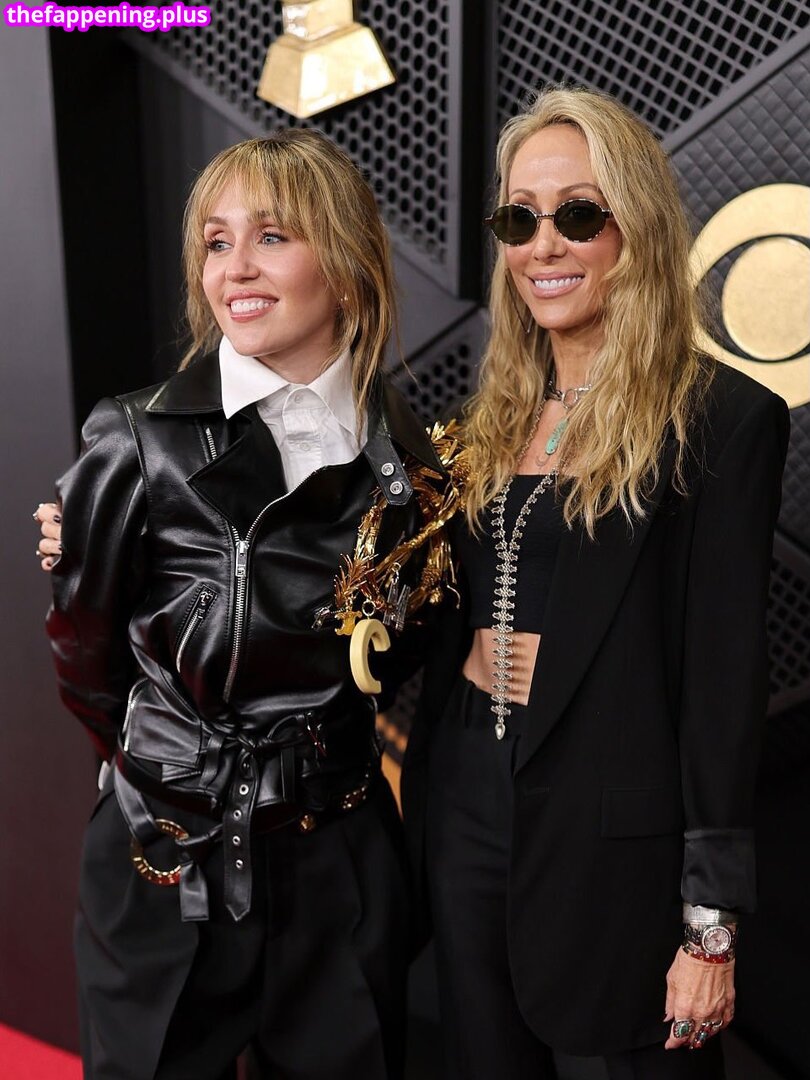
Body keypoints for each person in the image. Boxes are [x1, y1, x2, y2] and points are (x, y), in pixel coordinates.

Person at [36, 129, 452, 1080]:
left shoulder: (409, 457)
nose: (236, 269)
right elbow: (85, 659)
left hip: (343, 856)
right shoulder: (135, 438)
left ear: (345, 262)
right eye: (217, 242)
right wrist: (171, 771)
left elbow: (401, 655)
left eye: (272, 236)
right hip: (166, 852)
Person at [399, 87, 790, 1079]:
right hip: (467, 798)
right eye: (518, 220)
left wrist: (710, 923)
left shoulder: (720, 421)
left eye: (578, 215)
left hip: (619, 837)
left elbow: (723, 684)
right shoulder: (483, 421)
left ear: (636, 229)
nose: (544, 246)